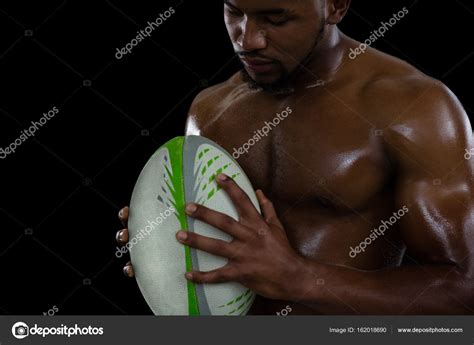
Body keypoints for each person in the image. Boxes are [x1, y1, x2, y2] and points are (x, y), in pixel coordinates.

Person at [116, 0, 474, 314]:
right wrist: (162, 244)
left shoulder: (413, 108)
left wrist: (300, 279)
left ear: (335, 6)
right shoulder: (210, 110)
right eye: (234, 11)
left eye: (276, 19)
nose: (247, 40)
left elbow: (464, 290)